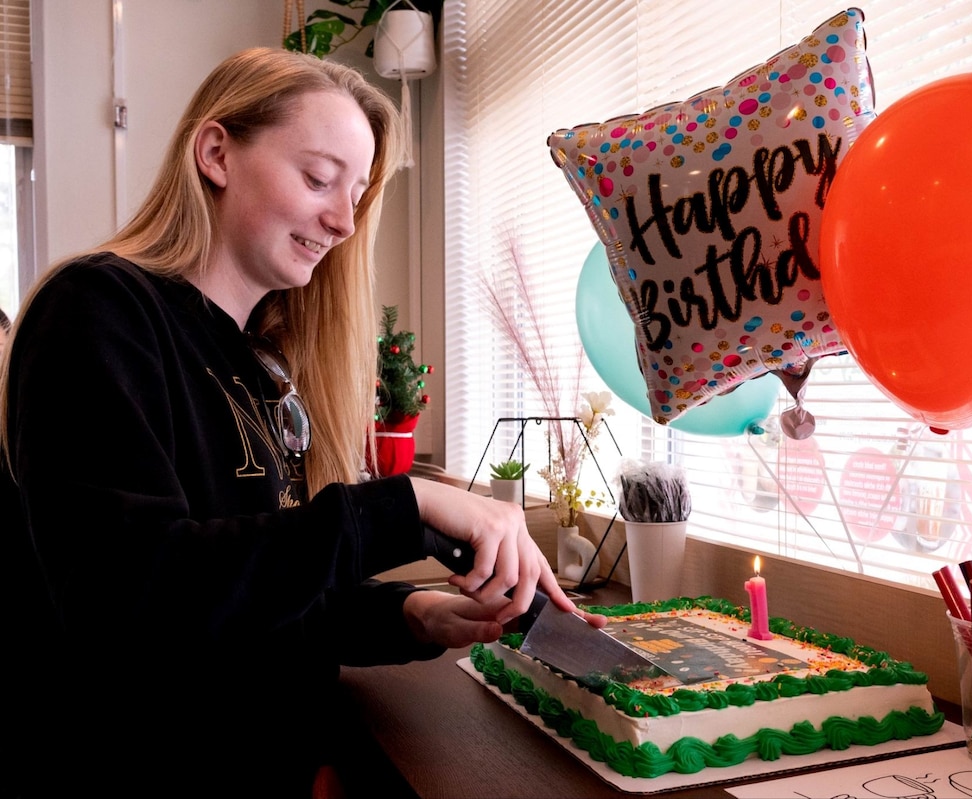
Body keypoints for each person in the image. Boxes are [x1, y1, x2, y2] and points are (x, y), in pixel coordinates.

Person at [0, 48, 597, 799]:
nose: (344, 220)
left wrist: (415, 614)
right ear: (216, 153)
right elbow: (138, 596)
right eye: (318, 178)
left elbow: (257, 593)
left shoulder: (262, 365)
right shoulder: (99, 312)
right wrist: (402, 503)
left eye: (355, 193)